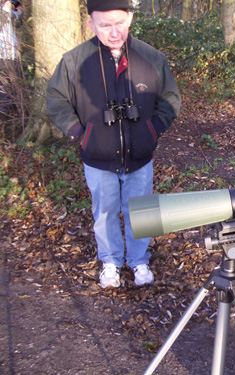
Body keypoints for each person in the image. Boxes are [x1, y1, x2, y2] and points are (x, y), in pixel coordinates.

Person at [46, 0, 181, 288]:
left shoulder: (151, 58)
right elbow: (56, 100)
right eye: (105, 25)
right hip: (97, 156)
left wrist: (152, 130)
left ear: (130, 18)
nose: (114, 32)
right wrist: (80, 134)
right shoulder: (74, 61)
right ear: (91, 24)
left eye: (119, 23)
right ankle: (111, 261)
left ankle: (139, 260)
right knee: (104, 210)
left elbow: (170, 99)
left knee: (141, 210)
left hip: (140, 155)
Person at [0, 0, 22, 117]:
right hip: (2, 56)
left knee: (15, 81)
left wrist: (18, 11)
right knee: (4, 85)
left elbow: (18, 24)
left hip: (13, 54)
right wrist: (4, 10)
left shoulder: (7, 13)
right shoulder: (3, 12)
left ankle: (15, 109)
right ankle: (3, 114)